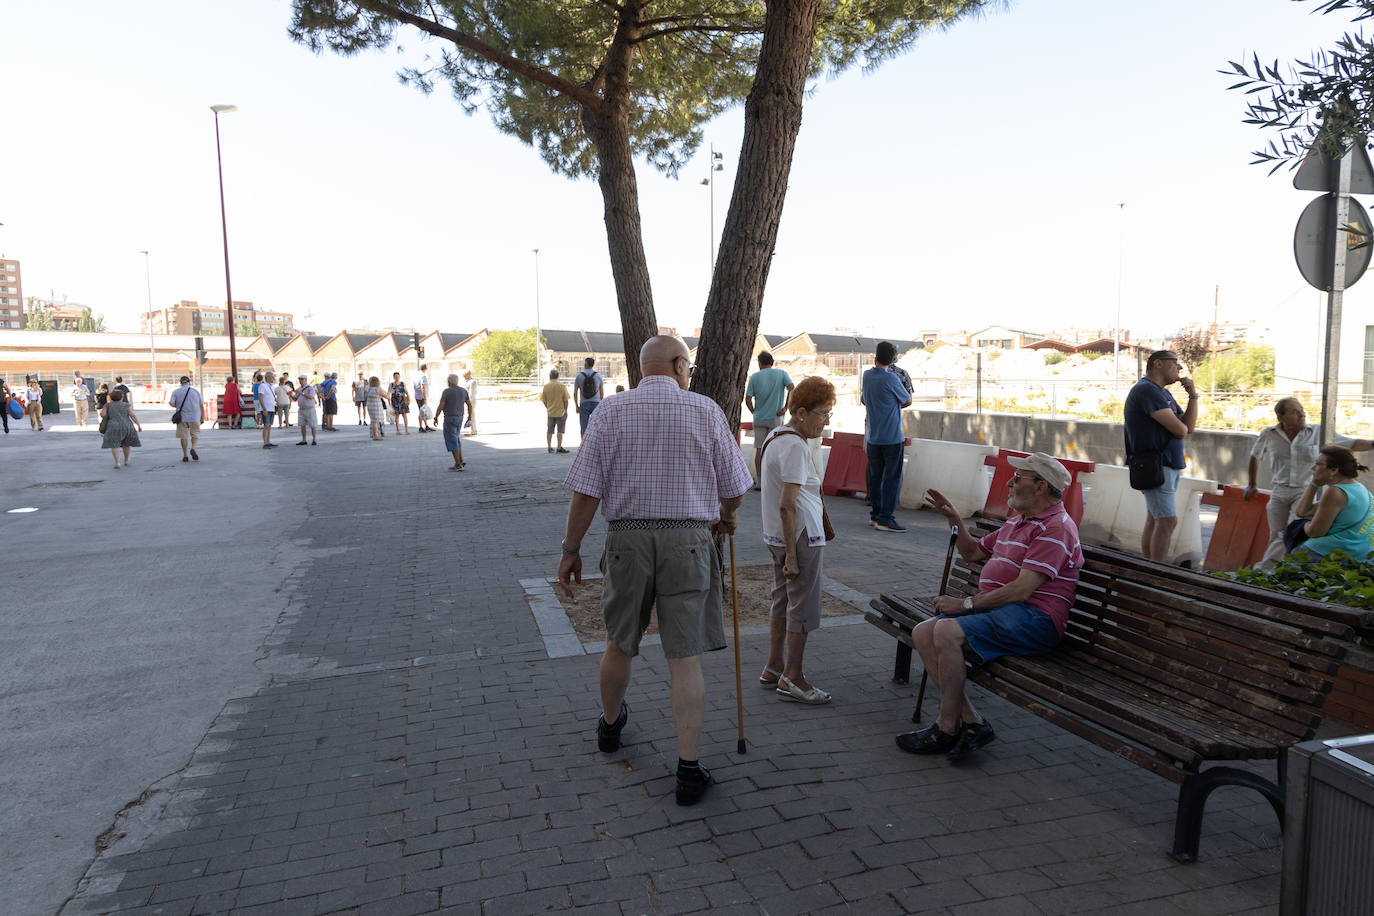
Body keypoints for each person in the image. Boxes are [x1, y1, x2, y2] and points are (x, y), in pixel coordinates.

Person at [558, 336, 752, 806]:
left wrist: (570, 549)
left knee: (618, 641)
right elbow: (735, 486)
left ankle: (609, 726)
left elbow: (586, 492)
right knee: (684, 656)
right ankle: (687, 768)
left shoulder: (609, 411)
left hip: (626, 539)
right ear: (680, 365)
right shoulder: (705, 410)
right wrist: (726, 515)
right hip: (688, 539)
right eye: (689, 365)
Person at [899, 453, 1083, 760]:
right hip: (1002, 613)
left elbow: (1023, 590)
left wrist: (965, 604)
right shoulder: (1018, 522)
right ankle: (972, 722)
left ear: (1040, 487)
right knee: (922, 633)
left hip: (1036, 619)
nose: (1010, 482)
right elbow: (972, 553)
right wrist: (953, 518)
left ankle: (946, 727)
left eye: (1018, 478)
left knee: (945, 631)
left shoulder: (1055, 528)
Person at [756, 376, 835, 706]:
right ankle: (794, 677)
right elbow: (787, 503)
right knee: (801, 607)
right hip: (800, 538)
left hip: (778, 535)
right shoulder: (795, 446)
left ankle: (774, 666)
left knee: (782, 600)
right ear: (801, 412)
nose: (827, 421)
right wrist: (792, 554)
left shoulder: (775, 436)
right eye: (824, 413)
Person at [1245, 397, 1372, 568]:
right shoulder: (1269, 434)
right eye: (1295, 412)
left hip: (1302, 490)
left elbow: (1351, 443)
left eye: (1302, 410)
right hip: (1279, 490)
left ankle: (1265, 570)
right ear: (1280, 416)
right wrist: (1252, 484)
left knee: (1288, 533)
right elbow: (1255, 456)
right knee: (1276, 535)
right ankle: (1275, 572)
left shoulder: (1318, 432)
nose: (1302, 414)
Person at [1124, 349, 1198, 562]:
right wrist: (1181, 427)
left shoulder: (1162, 392)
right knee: (1167, 521)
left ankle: (1149, 568)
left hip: (1166, 465)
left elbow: (1189, 426)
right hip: (1156, 465)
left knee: (1155, 519)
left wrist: (1193, 395)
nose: (1179, 368)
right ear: (1158, 364)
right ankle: (1157, 571)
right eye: (1175, 363)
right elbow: (1180, 430)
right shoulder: (1147, 390)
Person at [861, 341, 913, 532]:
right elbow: (907, 400)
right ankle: (886, 518)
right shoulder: (892, 378)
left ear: (875, 356)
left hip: (873, 436)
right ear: (893, 359)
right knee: (892, 478)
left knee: (875, 476)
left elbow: (864, 399)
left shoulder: (866, 376)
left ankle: (875, 516)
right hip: (892, 436)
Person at [1289, 445, 1374, 561]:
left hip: (1334, 553)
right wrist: (1314, 484)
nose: (1313, 468)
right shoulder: (1358, 487)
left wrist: (1303, 525)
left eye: (1318, 464)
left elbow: (1315, 532)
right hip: (1360, 555)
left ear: (1334, 470)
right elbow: (1303, 512)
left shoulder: (1335, 492)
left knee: (1293, 536)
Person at [744, 352, 794, 490]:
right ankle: (774, 481)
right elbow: (792, 388)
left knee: (759, 450)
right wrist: (786, 407)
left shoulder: (754, 377)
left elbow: (747, 399)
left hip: (759, 418)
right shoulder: (782, 374)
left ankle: (760, 483)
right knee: (776, 449)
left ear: (759, 363)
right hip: (776, 418)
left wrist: (754, 411)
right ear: (772, 362)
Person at [433, 373, 471, 470]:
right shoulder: (463, 391)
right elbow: (469, 405)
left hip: (449, 418)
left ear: (449, 382)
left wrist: (436, 417)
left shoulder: (446, 392)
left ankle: (458, 464)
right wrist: (469, 417)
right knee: (456, 438)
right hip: (460, 418)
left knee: (452, 440)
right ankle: (461, 460)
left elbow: (441, 405)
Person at [99, 389, 143, 469]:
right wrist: (138, 425)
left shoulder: (107, 405)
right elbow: (132, 415)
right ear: (121, 397)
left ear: (112, 398)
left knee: (114, 444)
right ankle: (126, 460)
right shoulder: (126, 405)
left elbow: (103, 414)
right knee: (126, 444)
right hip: (126, 426)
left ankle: (117, 462)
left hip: (113, 426)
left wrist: (103, 413)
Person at [168, 376, 203, 462]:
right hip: (195, 416)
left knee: (183, 436)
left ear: (181, 383)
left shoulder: (176, 392)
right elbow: (201, 405)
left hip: (182, 418)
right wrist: (203, 417)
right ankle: (193, 448)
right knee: (195, 433)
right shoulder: (195, 392)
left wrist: (178, 405)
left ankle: (185, 455)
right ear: (189, 382)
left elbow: (171, 403)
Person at [541, 369, 571, 453]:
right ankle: (559, 447)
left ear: (550, 376)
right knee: (560, 430)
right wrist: (566, 410)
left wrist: (548, 407)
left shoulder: (546, 387)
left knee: (550, 430)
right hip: (560, 412)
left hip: (550, 412)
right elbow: (566, 400)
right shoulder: (561, 386)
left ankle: (549, 447)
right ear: (558, 376)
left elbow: (543, 399)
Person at [573, 357, 604, 437]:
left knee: (584, 427)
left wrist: (576, 406)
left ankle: (584, 446)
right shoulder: (598, 376)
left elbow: (575, 393)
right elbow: (602, 393)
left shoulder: (579, 376)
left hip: (584, 403)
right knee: (597, 426)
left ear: (585, 364)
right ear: (593, 365)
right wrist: (601, 404)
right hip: (596, 403)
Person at [295, 375, 319, 446]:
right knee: (302, 425)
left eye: (302, 379)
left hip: (309, 409)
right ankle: (304, 440)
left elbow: (311, 397)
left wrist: (301, 393)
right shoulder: (299, 388)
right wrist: (290, 394)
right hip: (301, 409)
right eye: (299, 379)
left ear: (306, 380)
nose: (300, 381)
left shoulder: (310, 388)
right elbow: (295, 398)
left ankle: (314, 439)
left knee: (312, 425)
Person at [256, 371, 278, 449]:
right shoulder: (263, 386)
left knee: (269, 426)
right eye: (272, 377)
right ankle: (265, 443)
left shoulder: (272, 386)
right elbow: (260, 397)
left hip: (271, 408)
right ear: (267, 377)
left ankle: (268, 441)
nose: (273, 378)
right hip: (266, 408)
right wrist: (264, 408)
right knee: (266, 425)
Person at [365, 375, 387, 441]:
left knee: (373, 419)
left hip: (369, 404)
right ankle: (375, 435)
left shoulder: (367, 388)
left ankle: (373, 433)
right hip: (376, 405)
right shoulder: (378, 388)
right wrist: (390, 392)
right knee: (376, 420)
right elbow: (387, 396)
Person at [414, 364, 431, 433]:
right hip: (421, 397)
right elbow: (422, 387)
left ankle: (426, 426)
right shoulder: (423, 376)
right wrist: (425, 397)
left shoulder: (416, 375)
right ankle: (421, 427)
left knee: (423, 411)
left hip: (417, 395)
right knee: (422, 411)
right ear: (425, 369)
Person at [463, 370, 479, 435]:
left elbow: (471, 393)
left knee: (472, 415)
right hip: (468, 400)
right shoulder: (468, 381)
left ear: (468, 374)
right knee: (470, 415)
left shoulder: (472, 382)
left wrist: (469, 402)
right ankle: (472, 430)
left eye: (465, 376)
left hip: (471, 400)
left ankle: (474, 431)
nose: (464, 377)